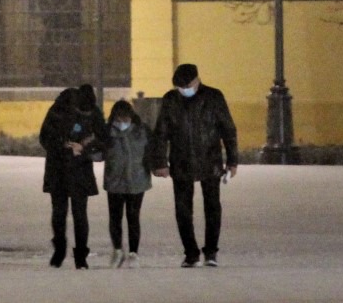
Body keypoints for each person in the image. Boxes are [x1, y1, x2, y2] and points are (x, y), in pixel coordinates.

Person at [148, 63, 239, 267]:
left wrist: (233, 160)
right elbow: (161, 133)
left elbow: (228, 129)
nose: (183, 90)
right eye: (179, 87)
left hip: (210, 160)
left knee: (213, 207)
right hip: (181, 161)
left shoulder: (214, 97)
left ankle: (211, 252)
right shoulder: (171, 100)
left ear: (197, 81)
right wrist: (160, 162)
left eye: (186, 85)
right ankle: (191, 253)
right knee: (182, 210)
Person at [38, 84, 107, 269]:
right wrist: (64, 146)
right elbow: (45, 137)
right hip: (58, 168)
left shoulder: (92, 111)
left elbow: (104, 138)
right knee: (59, 212)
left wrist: (85, 148)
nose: (86, 116)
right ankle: (59, 248)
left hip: (80, 168)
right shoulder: (59, 109)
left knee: (80, 213)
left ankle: (81, 255)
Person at [101, 98, 152, 268]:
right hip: (114, 181)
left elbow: (154, 151)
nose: (122, 123)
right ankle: (117, 250)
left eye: (125, 119)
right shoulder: (106, 132)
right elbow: (98, 153)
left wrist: (158, 165)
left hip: (137, 181)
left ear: (131, 117)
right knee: (115, 218)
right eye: (118, 120)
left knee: (133, 217)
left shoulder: (142, 131)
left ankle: (133, 253)